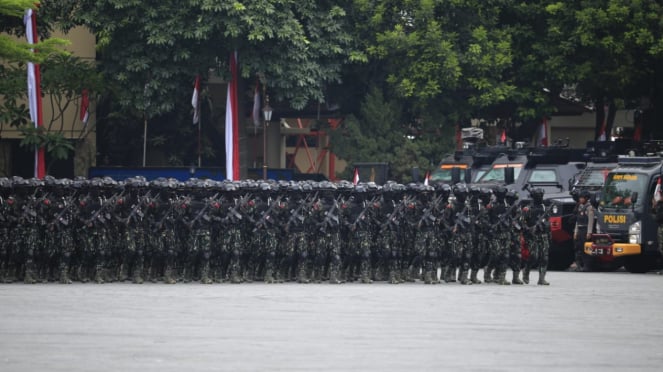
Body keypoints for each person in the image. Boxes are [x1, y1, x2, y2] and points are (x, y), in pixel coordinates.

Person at [573, 190, 594, 271]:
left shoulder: (589, 208)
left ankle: (587, 266)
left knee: (586, 249)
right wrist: (575, 231)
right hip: (580, 229)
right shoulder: (580, 207)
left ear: (586, 198)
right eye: (580, 198)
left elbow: (590, 221)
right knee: (579, 248)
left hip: (585, 230)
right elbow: (577, 221)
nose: (580, 200)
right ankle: (579, 265)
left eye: (582, 198)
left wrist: (589, 232)